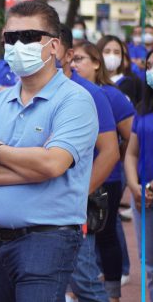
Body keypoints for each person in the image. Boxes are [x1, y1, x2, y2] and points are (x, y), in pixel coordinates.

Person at [0, 0, 99, 301]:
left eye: (28, 37)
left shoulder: (74, 100)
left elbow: (52, 164)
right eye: (11, 38)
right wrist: (32, 169)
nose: (17, 45)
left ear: (53, 46)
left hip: (47, 241)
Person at [55, 27, 120, 302]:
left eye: (44, 42)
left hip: (71, 208)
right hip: (34, 210)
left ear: (67, 53)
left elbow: (110, 152)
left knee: (83, 280)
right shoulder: (17, 93)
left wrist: (79, 195)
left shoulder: (91, 94)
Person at [71, 41, 135, 301]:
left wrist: (116, 158)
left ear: (96, 64)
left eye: (81, 59)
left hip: (106, 178)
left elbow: (131, 136)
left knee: (106, 234)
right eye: (72, 59)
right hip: (75, 177)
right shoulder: (68, 92)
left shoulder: (110, 94)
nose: (75, 64)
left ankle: (112, 293)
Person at [123, 49, 153, 301]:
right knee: (150, 265)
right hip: (144, 198)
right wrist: (134, 185)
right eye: (150, 65)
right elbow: (132, 153)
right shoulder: (142, 110)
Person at [98, 35, 144, 105]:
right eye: (107, 51)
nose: (112, 56)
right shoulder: (93, 81)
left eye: (116, 52)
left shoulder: (126, 83)